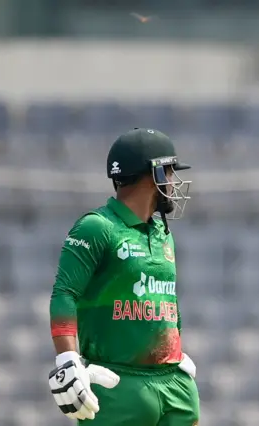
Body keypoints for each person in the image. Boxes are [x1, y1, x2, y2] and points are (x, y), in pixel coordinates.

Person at [47, 128, 200, 426]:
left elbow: (166, 297)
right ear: (148, 174)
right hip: (118, 385)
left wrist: (176, 351)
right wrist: (67, 360)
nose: (172, 181)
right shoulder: (97, 227)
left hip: (175, 385)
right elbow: (64, 293)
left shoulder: (163, 235)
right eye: (167, 171)